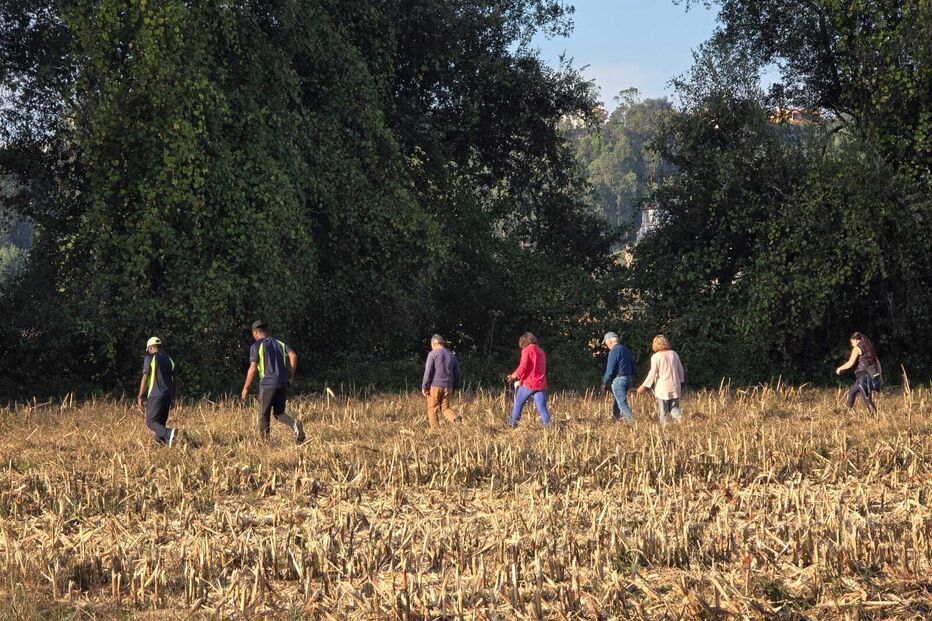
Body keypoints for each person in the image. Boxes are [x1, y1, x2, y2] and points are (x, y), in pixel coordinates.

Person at [241, 320, 305, 443]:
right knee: (279, 413)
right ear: (265, 331)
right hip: (282, 382)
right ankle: (295, 426)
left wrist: (246, 388)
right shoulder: (279, 343)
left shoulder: (256, 346)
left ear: (255, 333)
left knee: (264, 414)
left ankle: (265, 444)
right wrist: (289, 376)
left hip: (267, 383)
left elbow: (253, 368)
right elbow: (293, 356)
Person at [136, 336, 179, 446]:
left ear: (150, 348)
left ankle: (169, 433)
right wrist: (173, 398)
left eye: (148, 349)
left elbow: (145, 378)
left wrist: (140, 396)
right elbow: (174, 381)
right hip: (168, 395)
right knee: (160, 423)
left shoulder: (150, 358)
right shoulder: (170, 360)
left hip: (155, 395)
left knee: (151, 422)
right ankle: (159, 444)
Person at [637, 335, 685, 424]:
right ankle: (681, 421)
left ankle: (664, 427)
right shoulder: (674, 354)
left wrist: (643, 386)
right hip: (675, 385)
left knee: (663, 410)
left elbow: (652, 373)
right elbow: (680, 369)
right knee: (674, 408)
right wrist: (681, 381)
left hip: (663, 387)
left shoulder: (656, 356)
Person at [506, 332, 551, 427]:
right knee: (542, 407)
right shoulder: (541, 351)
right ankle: (549, 427)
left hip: (529, 383)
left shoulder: (527, 350)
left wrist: (513, 376)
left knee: (518, 404)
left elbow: (523, 367)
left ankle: (512, 425)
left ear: (524, 342)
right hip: (540, 383)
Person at [421, 334, 462, 429]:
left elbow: (428, 372)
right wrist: (454, 387)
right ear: (442, 343)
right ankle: (455, 418)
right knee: (445, 408)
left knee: (433, 409)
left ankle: (436, 432)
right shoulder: (452, 356)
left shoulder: (432, 354)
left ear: (433, 343)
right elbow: (457, 373)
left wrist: (424, 386)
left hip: (435, 386)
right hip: (448, 386)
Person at [835, 331, 882, 413]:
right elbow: (877, 363)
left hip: (864, 377)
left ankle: (876, 418)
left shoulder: (857, 348)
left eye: (852, 342)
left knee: (867, 399)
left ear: (855, 340)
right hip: (872, 376)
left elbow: (850, 363)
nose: (852, 344)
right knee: (852, 391)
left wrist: (839, 369)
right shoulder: (869, 348)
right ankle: (847, 411)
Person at [601, 331, 635, 423]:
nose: (606, 346)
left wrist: (605, 382)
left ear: (610, 341)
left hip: (619, 379)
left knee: (622, 404)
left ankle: (632, 423)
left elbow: (610, 370)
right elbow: (633, 366)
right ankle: (615, 420)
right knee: (617, 400)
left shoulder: (614, 351)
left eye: (606, 343)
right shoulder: (626, 350)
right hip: (628, 378)